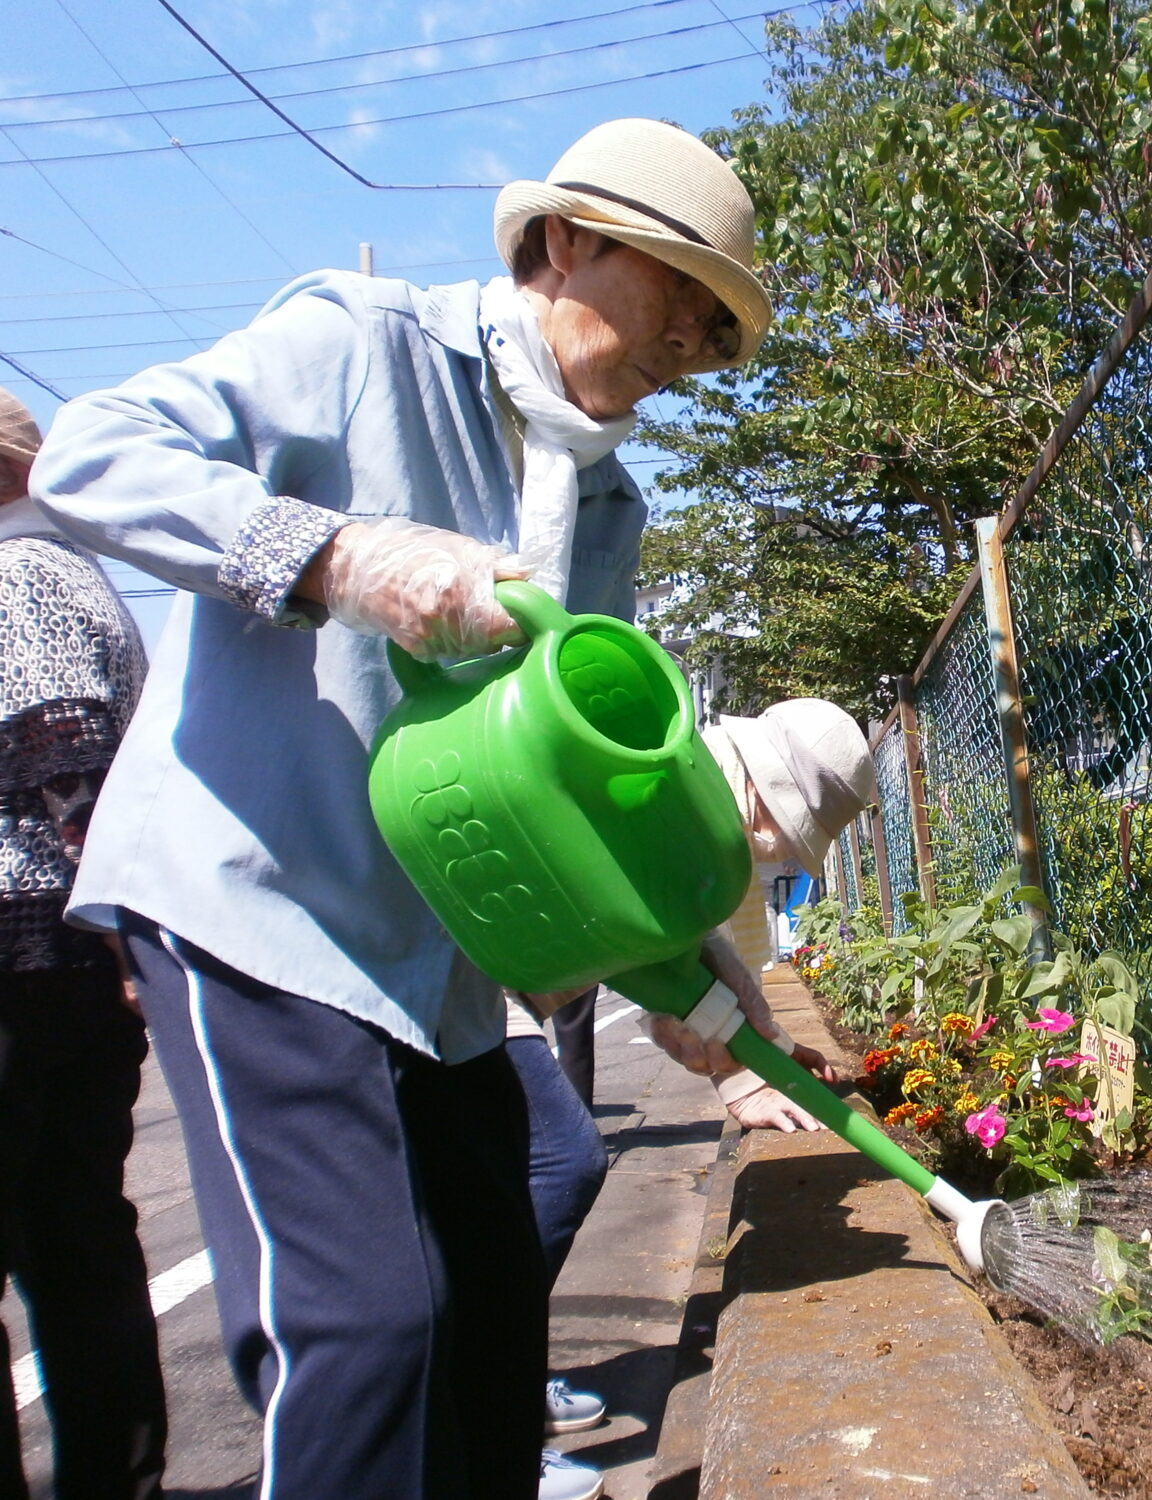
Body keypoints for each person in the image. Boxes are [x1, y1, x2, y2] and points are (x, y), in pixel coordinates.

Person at [29, 120, 797, 1500]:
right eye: (679, 287)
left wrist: (689, 968)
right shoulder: (361, 341)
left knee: (490, 1330)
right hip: (257, 897)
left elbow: (571, 796)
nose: (695, 337)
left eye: (719, 324)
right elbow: (93, 455)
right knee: (369, 1329)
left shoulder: (606, 506)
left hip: (428, 959)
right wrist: (335, 553)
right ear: (564, 242)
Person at [0, 389, 165, 1499]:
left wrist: (119, 946)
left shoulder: (18, 580)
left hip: (28, 953)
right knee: (78, 1248)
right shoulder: (70, 573)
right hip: (65, 961)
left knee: (72, 1250)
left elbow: (68, 764)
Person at [647, 698, 877, 1128]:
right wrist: (743, 1085)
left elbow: (711, 956)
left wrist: (777, 1046)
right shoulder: (689, 811)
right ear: (762, 786)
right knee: (571, 1160)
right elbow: (678, 967)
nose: (786, 848)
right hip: (497, 974)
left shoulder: (703, 780)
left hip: (518, 969)